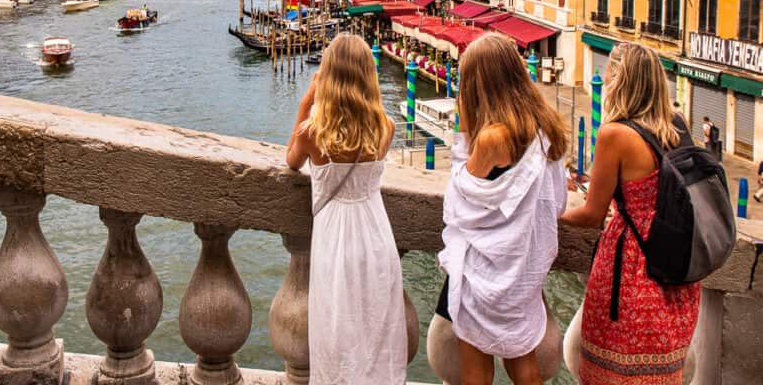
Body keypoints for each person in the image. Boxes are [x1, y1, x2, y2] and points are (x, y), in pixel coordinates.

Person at [560, 42, 700, 384]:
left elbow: (593, 214)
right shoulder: (677, 123)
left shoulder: (615, 135)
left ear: (620, 79)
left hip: (632, 271)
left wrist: (552, 218)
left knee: (613, 369)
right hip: (677, 269)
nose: (605, 79)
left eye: (609, 72)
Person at [439, 33, 569, 385]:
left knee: (476, 371)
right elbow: (557, 201)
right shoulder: (545, 130)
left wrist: (464, 123)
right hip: (523, 269)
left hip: (484, 270)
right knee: (522, 363)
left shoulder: (492, 138)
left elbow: (462, 195)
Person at [286, 33, 407, 385]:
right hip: (376, 238)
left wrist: (305, 103)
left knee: (337, 337)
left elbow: (291, 161)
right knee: (377, 332)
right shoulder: (385, 127)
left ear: (328, 75)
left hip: (336, 242)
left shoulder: (313, 133)